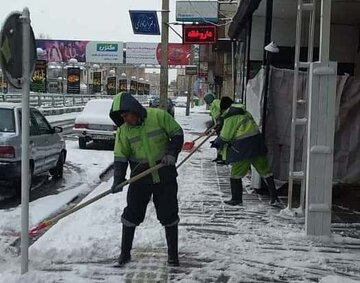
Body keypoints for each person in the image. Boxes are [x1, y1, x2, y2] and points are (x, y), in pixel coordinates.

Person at [109, 92, 184, 267]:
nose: (125, 119)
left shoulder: (158, 116)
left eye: (126, 115)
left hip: (164, 175)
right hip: (140, 178)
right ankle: (125, 254)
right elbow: (120, 157)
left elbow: (177, 133)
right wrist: (118, 180)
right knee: (131, 215)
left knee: (169, 214)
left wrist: (172, 153)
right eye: (121, 117)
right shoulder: (123, 131)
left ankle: (173, 256)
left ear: (134, 109)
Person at [211, 97, 280, 206]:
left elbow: (225, 137)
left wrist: (216, 142)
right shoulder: (245, 112)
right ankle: (274, 197)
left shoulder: (230, 117)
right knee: (265, 171)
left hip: (243, 148)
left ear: (224, 109)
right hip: (257, 144)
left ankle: (236, 199)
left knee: (235, 174)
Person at [203, 92, 223, 163]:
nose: (206, 103)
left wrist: (220, 119)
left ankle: (222, 157)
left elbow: (223, 109)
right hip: (219, 126)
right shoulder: (211, 106)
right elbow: (214, 119)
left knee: (220, 142)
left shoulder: (216, 102)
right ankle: (220, 156)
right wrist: (209, 128)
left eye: (206, 101)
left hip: (223, 125)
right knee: (219, 143)